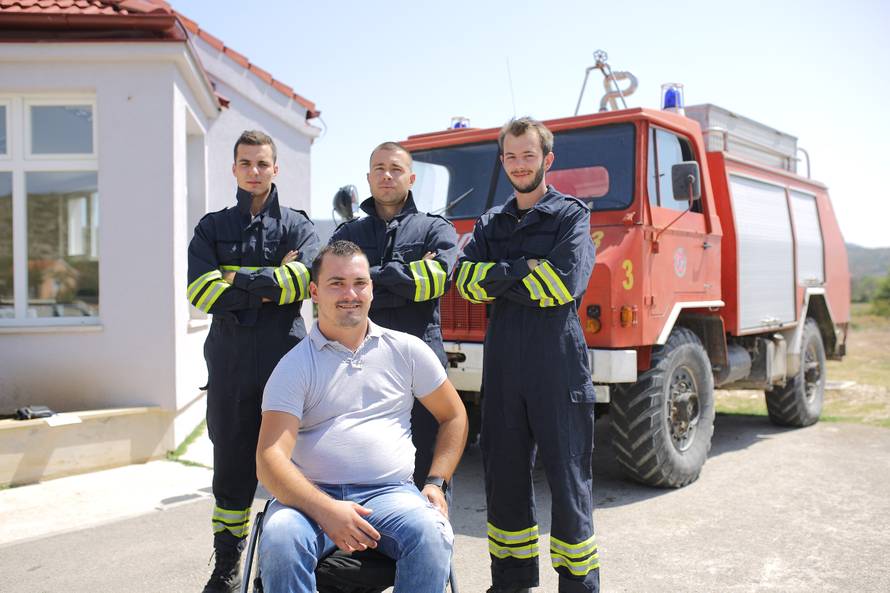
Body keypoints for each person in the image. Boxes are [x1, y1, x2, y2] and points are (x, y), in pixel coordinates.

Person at [255, 240, 468, 593]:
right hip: (308, 498)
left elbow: (454, 415)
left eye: (360, 283)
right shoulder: (293, 367)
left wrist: (437, 481)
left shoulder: (407, 351)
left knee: (433, 533)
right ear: (314, 292)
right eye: (336, 283)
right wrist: (326, 510)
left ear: (371, 289)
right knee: (280, 539)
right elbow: (269, 460)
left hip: (391, 493)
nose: (350, 293)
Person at [456, 117, 599, 593]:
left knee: (568, 479)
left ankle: (578, 586)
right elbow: (465, 282)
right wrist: (525, 269)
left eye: (528, 155)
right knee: (505, 476)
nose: (520, 165)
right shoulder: (491, 222)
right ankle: (511, 584)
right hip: (501, 367)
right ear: (503, 162)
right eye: (511, 157)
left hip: (556, 363)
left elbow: (561, 285)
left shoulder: (571, 217)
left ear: (547, 160)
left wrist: (498, 276)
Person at [187, 130, 320, 593]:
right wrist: (269, 283)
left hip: (287, 363)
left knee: (295, 466)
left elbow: (304, 283)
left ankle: (281, 566)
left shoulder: (299, 227)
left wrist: (235, 280)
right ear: (235, 168)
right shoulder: (212, 227)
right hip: (229, 366)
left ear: (275, 168)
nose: (254, 171)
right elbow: (201, 292)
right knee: (231, 469)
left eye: (262, 163)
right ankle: (226, 569)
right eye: (246, 163)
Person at [330, 141, 459, 488]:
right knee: (363, 465)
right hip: (359, 366)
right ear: (368, 178)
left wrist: (366, 277)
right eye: (379, 169)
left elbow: (435, 282)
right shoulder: (347, 234)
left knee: (428, 468)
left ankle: (432, 535)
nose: (387, 176)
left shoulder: (436, 229)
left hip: (421, 366)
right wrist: (405, 276)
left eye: (396, 169)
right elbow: (336, 290)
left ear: (411, 178)